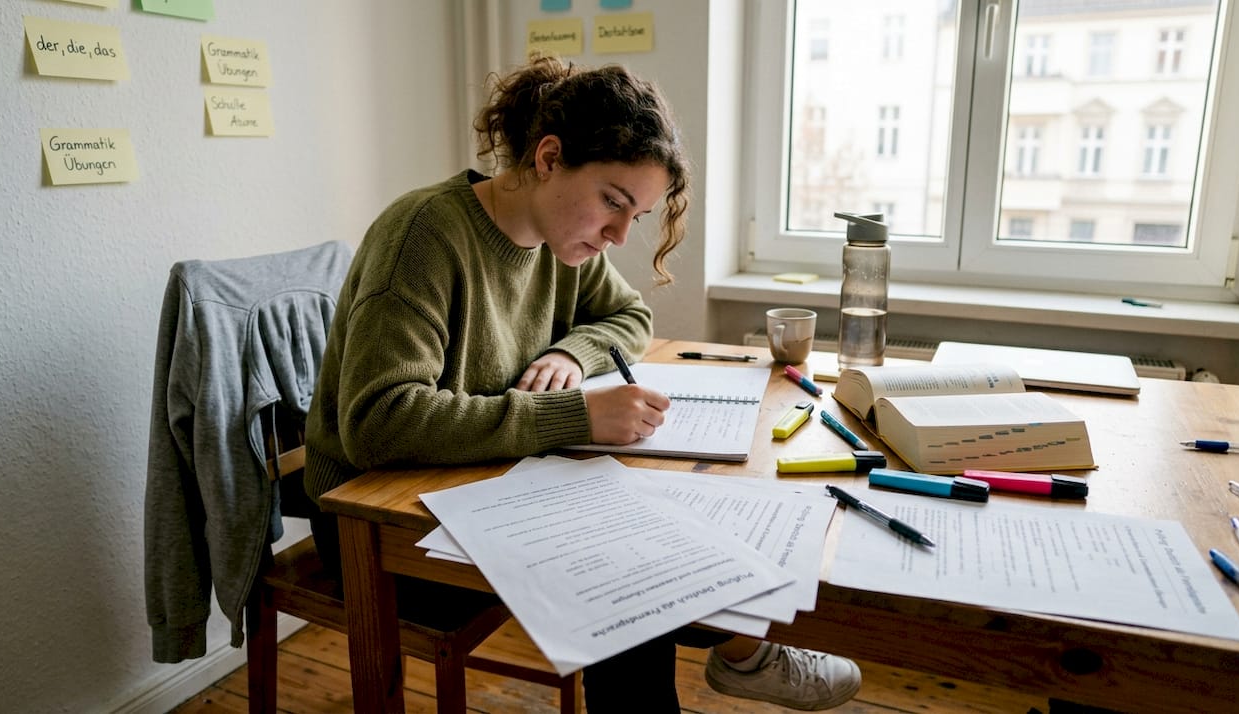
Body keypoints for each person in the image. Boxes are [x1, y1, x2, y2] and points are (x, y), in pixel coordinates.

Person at [303, 54, 861, 712]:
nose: (620, 235)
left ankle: (743, 649)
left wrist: (573, 351)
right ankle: (743, 650)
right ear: (547, 158)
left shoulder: (557, 239)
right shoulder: (425, 236)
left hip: (477, 484)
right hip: (374, 526)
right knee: (628, 572)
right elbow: (378, 424)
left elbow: (630, 315)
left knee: (653, 535)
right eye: (613, 203)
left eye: (637, 216)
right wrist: (574, 415)